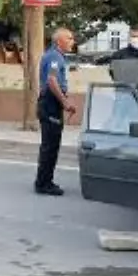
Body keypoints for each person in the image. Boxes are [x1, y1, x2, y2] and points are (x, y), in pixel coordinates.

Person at [35, 27, 77, 196]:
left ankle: (44, 180)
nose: (72, 41)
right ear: (59, 41)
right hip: (50, 104)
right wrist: (65, 103)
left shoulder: (56, 56)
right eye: (69, 38)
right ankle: (43, 183)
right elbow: (52, 80)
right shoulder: (54, 57)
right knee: (50, 146)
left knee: (51, 145)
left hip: (51, 103)